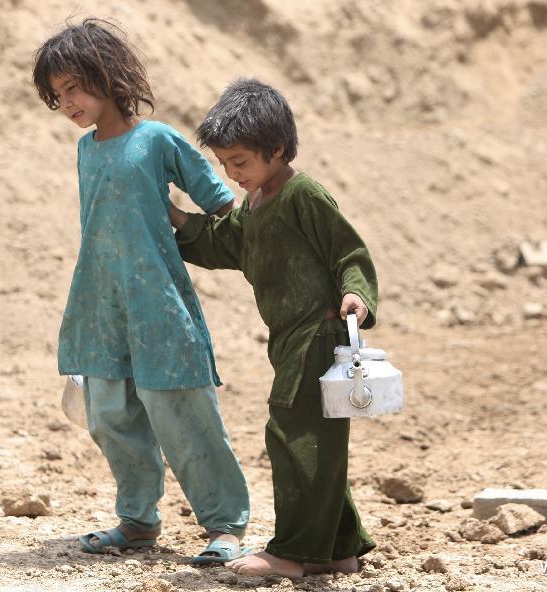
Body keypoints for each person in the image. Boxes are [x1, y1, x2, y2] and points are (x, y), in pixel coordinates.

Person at [32, 19, 250, 564]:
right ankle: (137, 520)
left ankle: (224, 524)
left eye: (74, 87)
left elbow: (222, 204)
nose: (68, 103)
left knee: (183, 413)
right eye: (58, 96)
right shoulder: (86, 151)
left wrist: (236, 247)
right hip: (99, 301)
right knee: (109, 416)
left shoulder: (157, 140)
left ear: (106, 74)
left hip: (158, 303)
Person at [167, 78, 378, 578]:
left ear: (277, 149)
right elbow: (224, 244)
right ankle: (336, 551)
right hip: (288, 340)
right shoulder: (255, 204)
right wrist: (173, 216)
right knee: (316, 442)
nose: (231, 173)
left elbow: (349, 250)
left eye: (239, 162)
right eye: (224, 163)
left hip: (318, 337)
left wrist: (357, 293)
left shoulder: (303, 194)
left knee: (292, 436)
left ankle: (292, 553)